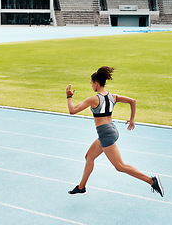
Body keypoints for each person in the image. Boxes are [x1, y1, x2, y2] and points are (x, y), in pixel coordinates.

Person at [66, 66, 164, 197]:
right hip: (111, 130)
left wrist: (69, 97)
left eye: (91, 83)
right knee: (89, 157)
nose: (91, 86)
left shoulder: (93, 99)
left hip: (105, 134)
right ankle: (81, 187)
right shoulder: (113, 97)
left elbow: (72, 111)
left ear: (96, 83)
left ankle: (152, 181)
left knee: (120, 166)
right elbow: (132, 101)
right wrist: (132, 119)